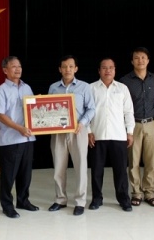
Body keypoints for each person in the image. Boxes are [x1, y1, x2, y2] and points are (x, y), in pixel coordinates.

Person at [47, 55, 95, 216]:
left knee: (80, 167)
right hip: (58, 133)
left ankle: (80, 202)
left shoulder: (84, 87)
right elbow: (47, 110)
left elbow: (91, 109)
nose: (67, 69)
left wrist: (82, 123)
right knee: (59, 167)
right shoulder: (53, 88)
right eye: (64, 66)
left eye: (70, 66)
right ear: (60, 69)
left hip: (78, 131)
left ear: (76, 69)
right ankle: (60, 199)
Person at [0, 56, 38, 218]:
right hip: (11, 140)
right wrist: (19, 128)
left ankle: (23, 200)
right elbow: (0, 115)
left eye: (19, 66)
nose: (18, 69)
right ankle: (7, 205)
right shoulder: (1, 90)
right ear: (5, 70)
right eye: (13, 67)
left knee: (25, 174)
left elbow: (35, 111)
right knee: (8, 175)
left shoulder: (27, 88)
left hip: (28, 139)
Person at [88, 57, 135, 212]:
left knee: (121, 170)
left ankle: (123, 199)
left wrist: (130, 132)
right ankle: (96, 199)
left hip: (118, 135)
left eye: (111, 68)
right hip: (98, 135)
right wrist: (88, 132)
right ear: (99, 70)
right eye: (104, 67)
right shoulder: (91, 89)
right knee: (96, 170)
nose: (108, 70)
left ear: (115, 70)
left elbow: (129, 112)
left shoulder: (122, 88)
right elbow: (85, 112)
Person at [119, 47, 154, 207]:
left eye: (143, 57)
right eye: (137, 58)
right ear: (132, 61)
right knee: (134, 161)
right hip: (133, 124)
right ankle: (136, 193)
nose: (140, 60)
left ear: (148, 60)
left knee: (151, 161)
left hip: (152, 123)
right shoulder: (125, 81)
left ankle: (149, 193)